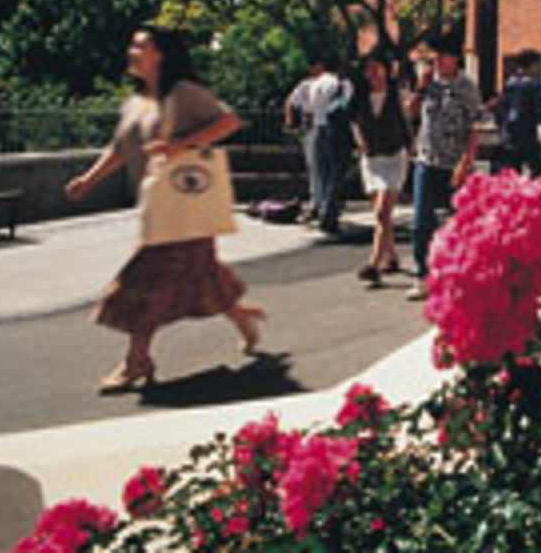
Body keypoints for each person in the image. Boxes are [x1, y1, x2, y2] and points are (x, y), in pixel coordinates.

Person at [64, 25, 265, 393]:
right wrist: (88, 179)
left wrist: (182, 143)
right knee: (201, 277)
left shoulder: (184, 94)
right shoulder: (136, 103)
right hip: (162, 209)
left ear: (161, 54)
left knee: (142, 281)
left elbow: (229, 122)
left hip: (186, 208)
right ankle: (244, 320)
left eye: (140, 45)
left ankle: (136, 361)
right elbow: (121, 151)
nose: (132, 51)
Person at [407, 31, 481, 301]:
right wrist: (420, 88)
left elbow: (474, 127)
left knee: (459, 222)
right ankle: (421, 275)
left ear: (453, 58)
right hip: (426, 160)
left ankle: (460, 274)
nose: (435, 61)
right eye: (432, 57)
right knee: (420, 222)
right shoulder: (429, 84)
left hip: (454, 163)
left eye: (440, 56)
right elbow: (411, 113)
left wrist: (465, 163)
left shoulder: (467, 87)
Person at [350, 48, 411, 287]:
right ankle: (392, 255)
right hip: (372, 158)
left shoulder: (396, 94)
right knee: (382, 215)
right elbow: (352, 120)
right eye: (369, 68)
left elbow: (406, 121)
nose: (373, 73)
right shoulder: (359, 97)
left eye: (377, 67)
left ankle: (373, 265)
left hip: (394, 155)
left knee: (381, 213)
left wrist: (411, 145)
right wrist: (359, 140)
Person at [305, 57, 354, 234]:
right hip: (337, 130)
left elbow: (307, 108)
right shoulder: (342, 83)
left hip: (317, 128)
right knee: (336, 174)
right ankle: (329, 215)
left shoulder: (315, 84)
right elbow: (348, 105)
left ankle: (320, 208)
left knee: (321, 173)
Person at [494, 50, 541, 178]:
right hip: (528, 133)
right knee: (537, 171)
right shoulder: (534, 86)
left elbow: (501, 109)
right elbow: (538, 111)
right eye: (536, 65)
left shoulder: (509, 84)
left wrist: (502, 127)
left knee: (512, 173)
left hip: (509, 134)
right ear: (531, 66)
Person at [284, 62, 318, 221]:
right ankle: (316, 201)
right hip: (311, 123)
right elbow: (291, 102)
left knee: (317, 166)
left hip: (318, 123)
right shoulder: (306, 85)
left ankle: (319, 202)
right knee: (314, 165)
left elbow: (290, 103)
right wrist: (291, 123)